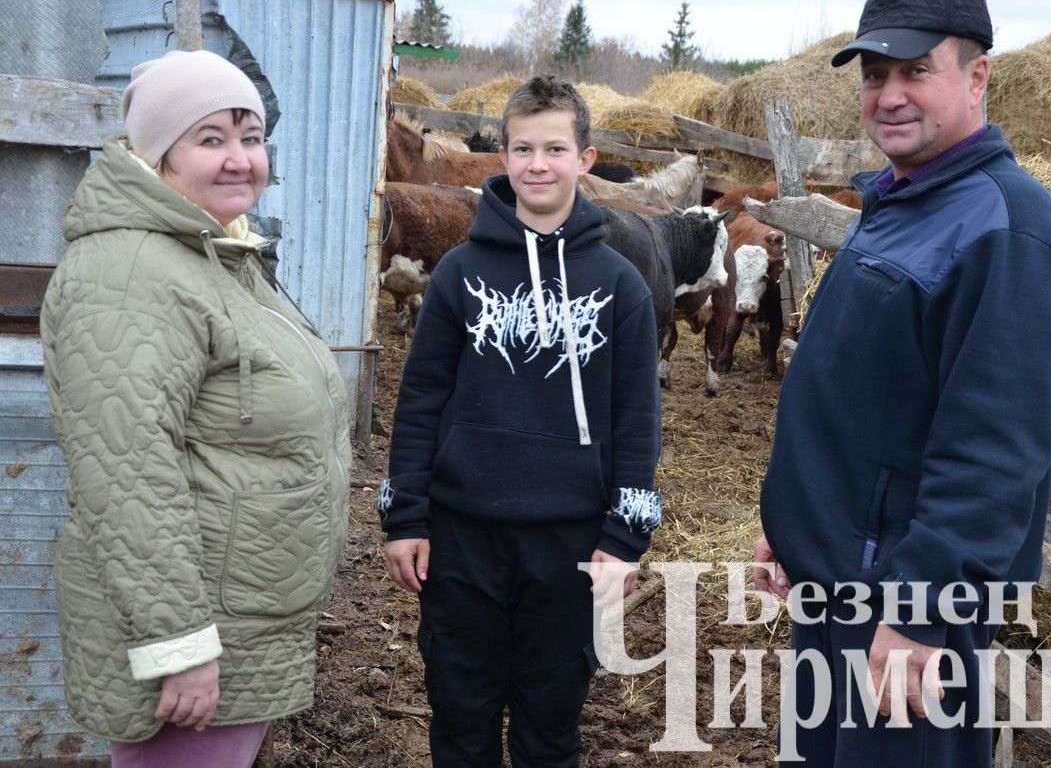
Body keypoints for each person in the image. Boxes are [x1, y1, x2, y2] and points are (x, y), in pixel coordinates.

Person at [751, 0, 1051, 764]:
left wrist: (918, 612)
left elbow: (995, 449)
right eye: (875, 76)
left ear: (977, 76)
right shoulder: (903, 201)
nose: (889, 95)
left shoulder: (1007, 231)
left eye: (915, 71)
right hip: (838, 587)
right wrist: (796, 524)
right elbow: (859, 397)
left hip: (900, 612)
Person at [40, 49, 351, 767]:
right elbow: (127, 476)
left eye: (252, 136)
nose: (240, 158)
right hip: (197, 623)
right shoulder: (129, 273)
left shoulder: (218, 255)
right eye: (210, 139)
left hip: (240, 609)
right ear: (157, 157)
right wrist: (177, 644)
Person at [378, 75, 662, 767]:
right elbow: (419, 401)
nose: (539, 164)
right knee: (461, 720)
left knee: (549, 727)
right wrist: (405, 517)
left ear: (585, 160)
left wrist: (626, 536)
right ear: (502, 156)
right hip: (461, 537)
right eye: (524, 148)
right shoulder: (458, 274)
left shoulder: (620, 285)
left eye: (556, 149)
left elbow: (638, 419)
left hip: (570, 544)